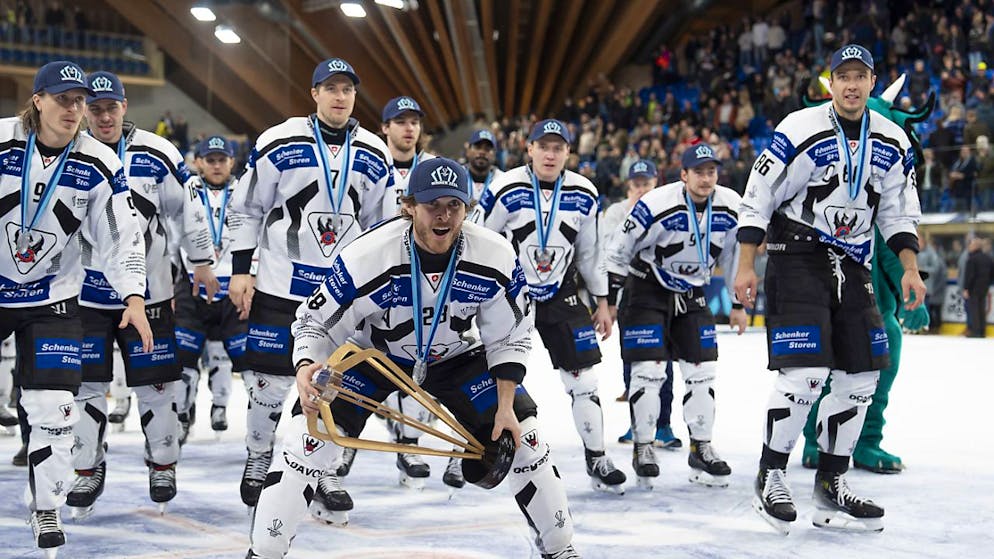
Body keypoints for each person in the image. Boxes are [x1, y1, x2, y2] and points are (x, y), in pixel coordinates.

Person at [246, 158, 579, 559]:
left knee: (525, 437)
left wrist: (506, 406)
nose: (444, 215)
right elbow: (314, 322)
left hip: (455, 355)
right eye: (432, 204)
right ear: (409, 206)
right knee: (308, 440)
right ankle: (264, 552)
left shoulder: (495, 255)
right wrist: (306, 368)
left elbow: (510, 333)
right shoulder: (366, 256)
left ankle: (561, 550)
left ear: (468, 208)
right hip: (372, 355)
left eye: (454, 205)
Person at [734, 44, 926, 534]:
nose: (852, 85)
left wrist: (909, 268)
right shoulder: (799, 128)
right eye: (844, 76)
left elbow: (899, 211)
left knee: (861, 378)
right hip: (796, 256)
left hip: (855, 262)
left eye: (861, 76)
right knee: (805, 375)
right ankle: (771, 473)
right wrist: (746, 265)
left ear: (871, 81)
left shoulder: (892, 138)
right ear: (831, 82)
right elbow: (758, 197)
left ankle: (831, 483)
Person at [0, 60, 151, 557]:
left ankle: (46, 504)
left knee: (56, 410)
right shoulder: (2, 142)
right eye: (63, 99)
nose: (74, 109)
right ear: (37, 100)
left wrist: (133, 295)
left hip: (53, 298)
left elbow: (121, 235)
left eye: (80, 100)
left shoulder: (99, 162)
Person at [227, 58, 391, 511]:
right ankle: (259, 456)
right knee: (267, 384)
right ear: (314, 93)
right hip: (281, 283)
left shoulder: (375, 151)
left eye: (348, 89)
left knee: (333, 387)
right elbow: (248, 208)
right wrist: (242, 268)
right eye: (331, 88)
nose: (340, 96)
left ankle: (320, 470)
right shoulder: (279, 140)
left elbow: (383, 228)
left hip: (341, 296)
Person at [70, 70, 218, 519]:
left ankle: (163, 463)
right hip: (87, 296)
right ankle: (86, 468)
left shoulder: (158, 153)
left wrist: (203, 261)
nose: (103, 116)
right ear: (83, 112)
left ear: (124, 106)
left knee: (159, 386)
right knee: (86, 387)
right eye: (94, 109)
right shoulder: (69, 154)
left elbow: (188, 210)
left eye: (110, 107)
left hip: (150, 294)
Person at [472, 119, 626, 494]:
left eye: (559, 147)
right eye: (544, 146)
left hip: (562, 293)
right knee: (483, 379)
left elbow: (591, 253)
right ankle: (471, 452)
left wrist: (603, 301)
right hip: (511, 294)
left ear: (568, 153)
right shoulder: (504, 187)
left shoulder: (585, 192)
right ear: (530, 149)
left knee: (585, 380)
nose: (551, 154)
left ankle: (597, 458)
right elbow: (479, 239)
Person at [604, 146, 746, 490]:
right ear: (683, 175)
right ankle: (643, 446)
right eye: (698, 171)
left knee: (702, 371)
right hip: (646, 288)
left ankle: (701, 446)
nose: (706, 178)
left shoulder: (730, 205)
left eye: (711, 171)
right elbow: (619, 249)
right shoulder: (655, 204)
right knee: (649, 371)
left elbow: (735, 254)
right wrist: (608, 300)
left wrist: (738, 304)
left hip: (693, 292)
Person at [801, 227, 930, 474]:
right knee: (822, 379)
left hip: (875, 312)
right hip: (827, 309)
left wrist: (909, 298)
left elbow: (892, 255)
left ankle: (867, 442)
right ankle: (816, 440)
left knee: (878, 381)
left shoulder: (882, 212)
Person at [173, 135, 247, 443]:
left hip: (231, 289)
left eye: (222, 159)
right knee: (184, 358)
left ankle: (220, 406)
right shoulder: (184, 191)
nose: (216, 165)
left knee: (222, 356)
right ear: (198, 162)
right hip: (192, 286)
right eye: (210, 160)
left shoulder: (244, 191)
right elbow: (173, 234)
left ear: (232, 161)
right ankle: (181, 414)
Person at [604, 160, 682, 450]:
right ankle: (638, 422)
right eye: (636, 185)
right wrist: (605, 300)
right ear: (628, 186)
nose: (641, 190)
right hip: (626, 299)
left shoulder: (667, 210)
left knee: (664, 361)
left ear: (655, 185)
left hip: (660, 297)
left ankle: (663, 424)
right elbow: (607, 251)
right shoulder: (615, 212)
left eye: (646, 184)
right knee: (632, 362)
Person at [963, 236, 993, 337]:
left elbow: (970, 275)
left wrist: (966, 288)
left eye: (970, 244)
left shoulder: (972, 259)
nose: (969, 246)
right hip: (984, 287)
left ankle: (976, 332)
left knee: (974, 310)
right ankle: (982, 331)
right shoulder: (988, 258)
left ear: (975, 246)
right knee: (981, 309)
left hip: (974, 288)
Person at [465, 128, 503, 203]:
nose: (482, 152)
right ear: (468, 151)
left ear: (494, 155)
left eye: (487, 149)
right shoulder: (456, 177)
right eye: (477, 147)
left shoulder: (502, 180)